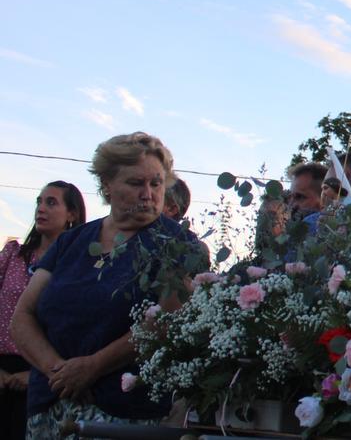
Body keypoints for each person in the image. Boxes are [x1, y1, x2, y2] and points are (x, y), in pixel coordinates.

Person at [10, 132, 206, 437]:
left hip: (124, 414)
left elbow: (167, 320)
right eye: (135, 183)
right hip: (50, 407)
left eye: (156, 184)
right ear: (107, 186)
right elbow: (22, 317)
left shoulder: (178, 245)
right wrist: (59, 373)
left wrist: (92, 367)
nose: (148, 193)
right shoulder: (70, 242)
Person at [1, 181, 86, 439]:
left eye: (51, 202)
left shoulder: (78, 265)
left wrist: (38, 373)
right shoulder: (14, 254)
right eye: (39, 201)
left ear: (71, 214)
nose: (41, 208)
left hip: (47, 375)